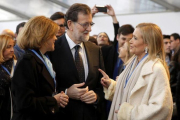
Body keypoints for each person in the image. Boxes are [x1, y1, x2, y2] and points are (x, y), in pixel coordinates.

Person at [99, 23, 173, 120]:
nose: (130, 41)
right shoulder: (133, 63)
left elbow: (162, 108)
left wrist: (130, 113)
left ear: (148, 43)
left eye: (135, 38)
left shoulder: (156, 69)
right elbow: (131, 92)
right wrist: (112, 86)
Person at [49, 3, 106, 120]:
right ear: (70, 24)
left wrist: (96, 96)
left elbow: (101, 86)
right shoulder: (52, 48)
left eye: (91, 24)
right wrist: (65, 92)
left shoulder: (95, 49)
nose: (89, 29)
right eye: (85, 24)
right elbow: (43, 88)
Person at [11, 16, 69, 120]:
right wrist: (53, 100)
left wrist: (58, 98)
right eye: (52, 35)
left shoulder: (43, 58)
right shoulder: (27, 61)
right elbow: (24, 102)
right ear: (43, 36)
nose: (55, 38)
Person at [0, 35, 16, 120]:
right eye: (8, 47)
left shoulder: (17, 63)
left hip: (12, 107)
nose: (12, 50)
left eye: (13, 46)